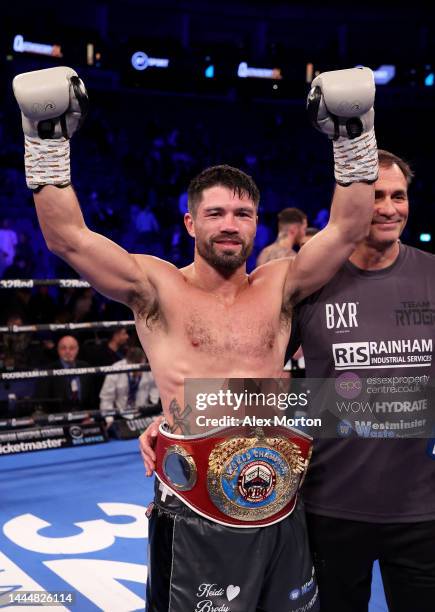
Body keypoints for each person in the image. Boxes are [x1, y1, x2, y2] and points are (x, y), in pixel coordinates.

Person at [14, 64, 378, 612]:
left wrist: (355, 135)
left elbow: (349, 228)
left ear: (256, 225)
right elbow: (67, 238)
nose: (229, 224)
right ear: (190, 224)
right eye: (215, 213)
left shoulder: (280, 284)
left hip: (279, 502)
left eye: (242, 213)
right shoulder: (156, 286)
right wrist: (46, 140)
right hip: (194, 509)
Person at [287, 149, 435, 611]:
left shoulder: (432, 273)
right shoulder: (308, 282)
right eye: (375, 196)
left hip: (423, 510)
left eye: (399, 196)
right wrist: (182, 417)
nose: (389, 208)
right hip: (331, 507)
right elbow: (253, 369)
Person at [36, 334, 95, 412]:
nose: (67, 351)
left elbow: (92, 398)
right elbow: (45, 402)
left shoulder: (86, 367)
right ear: (58, 350)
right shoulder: (49, 371)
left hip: (84, 417)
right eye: (63, 348)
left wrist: (90, 416)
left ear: (77, 350)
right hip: (58, 419)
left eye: (72, 348)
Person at [99, 346, 159, 415]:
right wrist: (109, 419)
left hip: (143, 413)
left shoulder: (148, 370)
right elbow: (106, 399)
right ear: (128, 362)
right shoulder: (115, 370)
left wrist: (153, 413)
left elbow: (154, 397)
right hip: (119, 414)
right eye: (135, 369)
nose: (139, 372)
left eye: (140, 368)